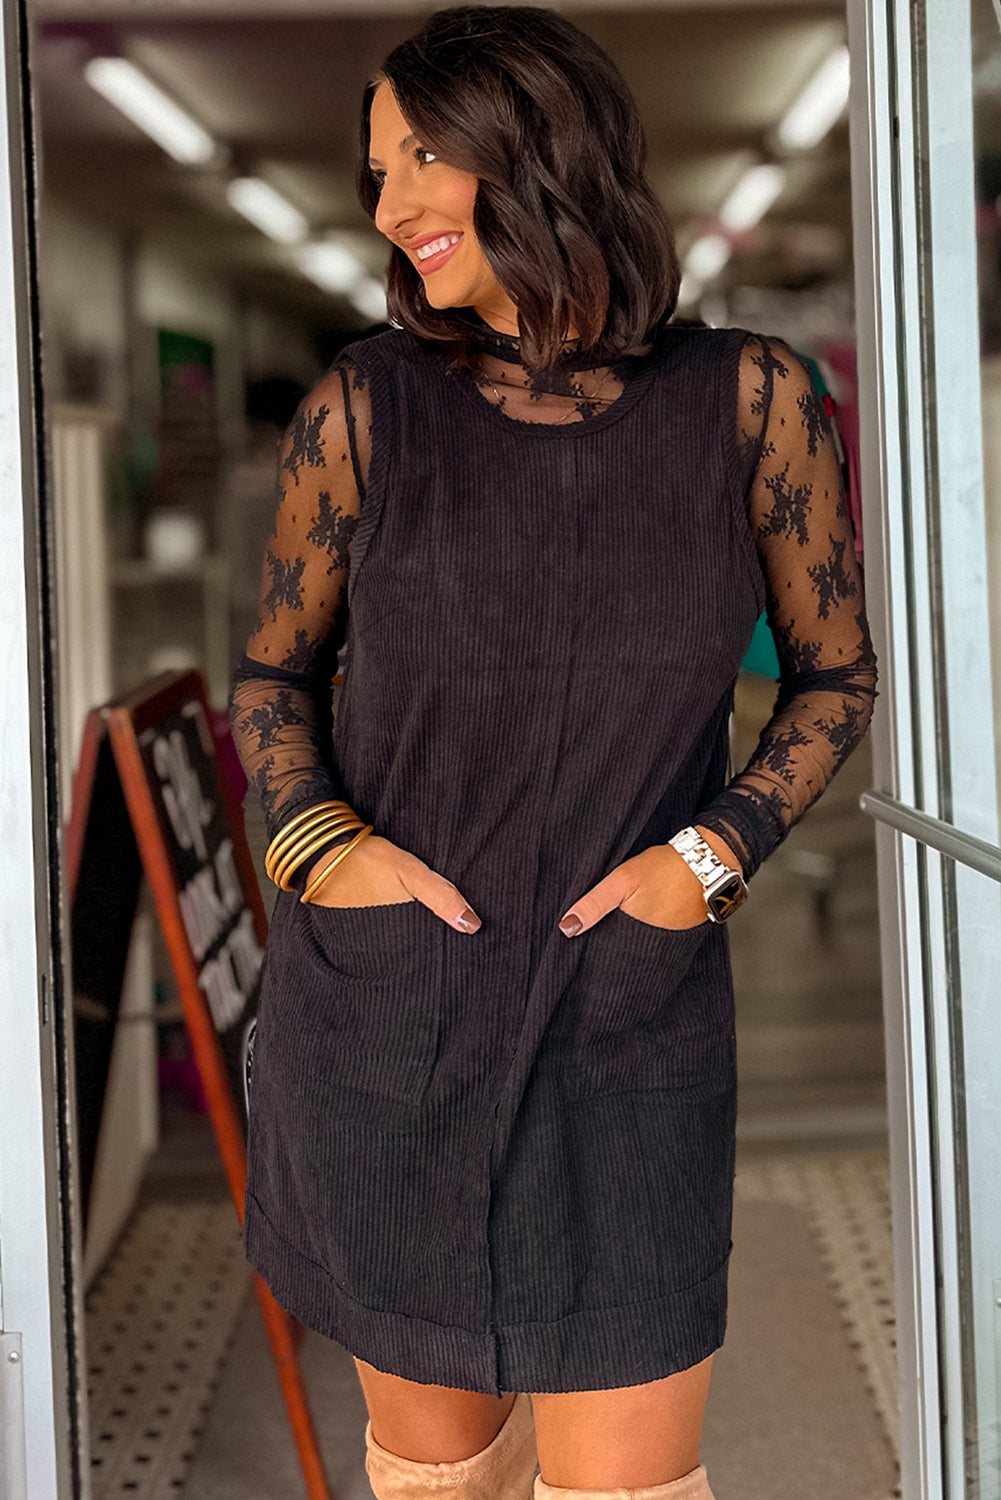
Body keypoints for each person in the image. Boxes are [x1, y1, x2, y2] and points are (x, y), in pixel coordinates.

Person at [227, 7, 879, 1498]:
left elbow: (834, 678)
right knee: (439, 1483)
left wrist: (707, 860)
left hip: (626, 1023)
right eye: (377, 168)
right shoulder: (363, 409)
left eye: (424, 156)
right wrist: (330, 853)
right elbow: (273, 676)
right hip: (391, 1021)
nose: (389, 204)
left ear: (540, 148)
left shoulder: (751, 401)